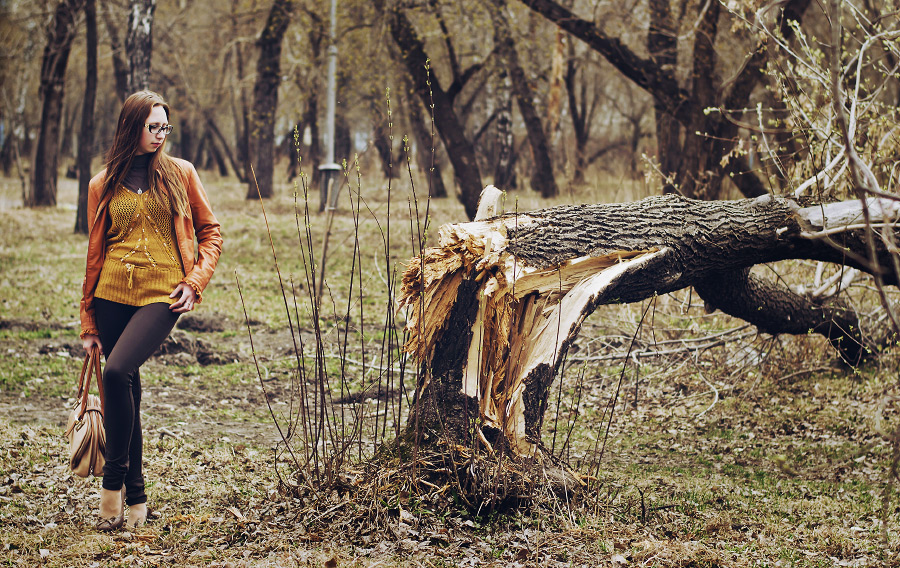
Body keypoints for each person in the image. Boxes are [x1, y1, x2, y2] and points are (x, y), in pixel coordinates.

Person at [79, 91, 223, 531]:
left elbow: (211, 233)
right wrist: (88, 319)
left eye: (166, 128)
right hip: (111, 296)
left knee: (118, 372)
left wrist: (194, 282)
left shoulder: (181, 174)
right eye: (153, 127)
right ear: (132, 127)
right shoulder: (102, 183)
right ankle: (137, 497)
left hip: (163, 294)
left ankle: (112, 483)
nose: (161, 136)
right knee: (129, 392)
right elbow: (95, 253)